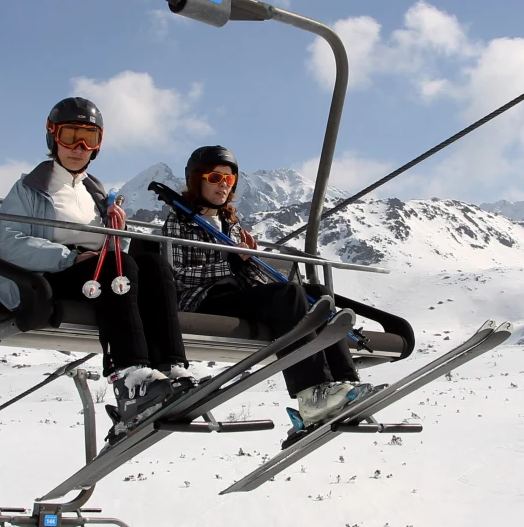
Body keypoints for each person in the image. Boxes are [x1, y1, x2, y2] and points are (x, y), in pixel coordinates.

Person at [0, 97, 192, 427]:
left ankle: (171, 368)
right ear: (53, 138)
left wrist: (115, 231)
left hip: (93, 275)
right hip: (48, 276)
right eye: (70, 136)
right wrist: (70, 258)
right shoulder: (28, 189)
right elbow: (11, 244)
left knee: (153, 264)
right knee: (115, 266)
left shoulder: (95, 193)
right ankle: (130, 379)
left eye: (89, 138)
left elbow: (111, 249)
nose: (79, 147)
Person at [161, 145, 378, 429]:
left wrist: (249, 263)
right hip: (203, 299)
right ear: (196, 180)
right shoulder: (180, 222)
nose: (223, 185)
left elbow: (249, 277)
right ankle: (311, 394)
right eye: (215, 178)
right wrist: (231, 261)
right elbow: (178, 276)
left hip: (235, 295)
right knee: (289, 296)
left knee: (319, 296)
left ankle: (344, 384)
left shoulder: (232, 225)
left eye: (229, 179)